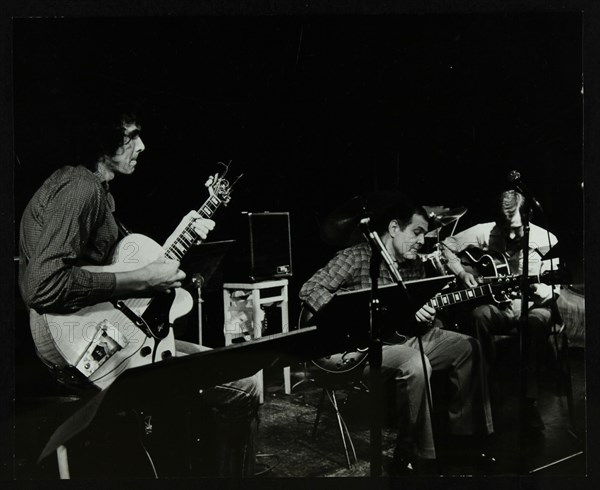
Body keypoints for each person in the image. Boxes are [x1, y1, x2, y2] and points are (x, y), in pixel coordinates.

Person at [18, 105, 259, 477]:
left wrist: (183, 231)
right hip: (83, 347)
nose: (142, 145)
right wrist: (143, 280)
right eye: (131, 136)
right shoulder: (80, 189)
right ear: (102, 142)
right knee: (246, 383)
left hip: (109, 337)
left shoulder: (89, 189)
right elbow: (43, 287)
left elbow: (123, 270)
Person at [299, 193, 495, 475]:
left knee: (467, 348)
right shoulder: (356, 256)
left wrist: (426, 313)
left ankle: (466, 441)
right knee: (416, 364)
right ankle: (413, 453)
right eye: (416, 232)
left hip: (402, 338)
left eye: (424, 235)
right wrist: (353, 316)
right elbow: (309, 290)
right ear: (393, 229)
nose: (420, 240)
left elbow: (411, 318)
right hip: (359, 349)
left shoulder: (413, 264)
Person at [441, 189, 559, 431]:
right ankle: (487, 388)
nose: (511, 234)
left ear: (528, 217)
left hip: (535, 306)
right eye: (506, 227)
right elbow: (446, 246)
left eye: (516, 227)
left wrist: (541, 291)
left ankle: (529, 401)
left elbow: (556, 286)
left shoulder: (546, 239)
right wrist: (462, 272)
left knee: (534, 323)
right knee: (478, 316)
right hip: (500, 306)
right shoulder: (487, 231)